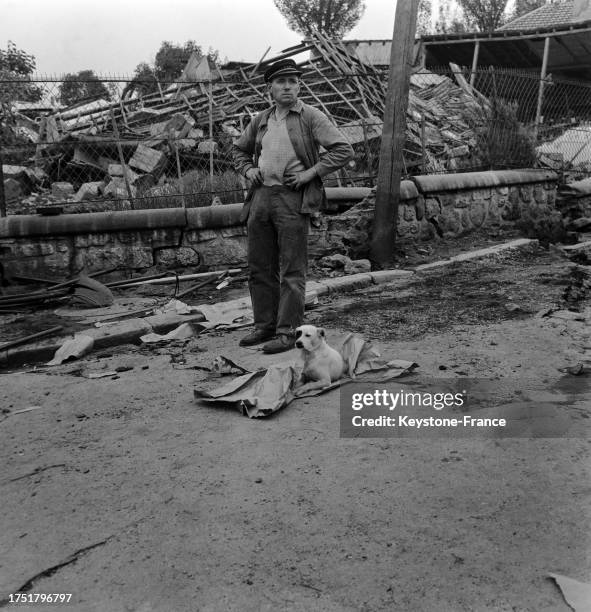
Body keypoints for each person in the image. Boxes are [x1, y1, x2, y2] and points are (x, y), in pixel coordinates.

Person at [233, 59, 354, 354]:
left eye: (293, 81)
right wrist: (249, 171)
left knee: (291, 270)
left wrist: (309, 174)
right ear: (270, 88)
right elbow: (238, 150)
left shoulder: (310, 116)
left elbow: (343, 149)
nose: (288, 87)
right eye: (281, 82)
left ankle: (288, 332)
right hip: (261, 197)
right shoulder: (261, 119)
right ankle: (265, 325)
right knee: (259, 267)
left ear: (299, 86)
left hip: (292, 198)